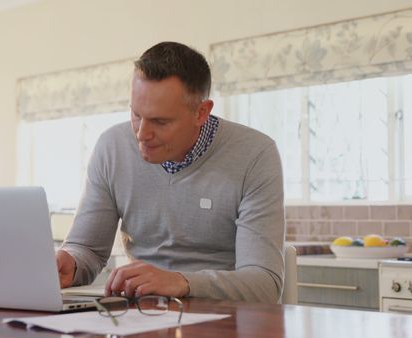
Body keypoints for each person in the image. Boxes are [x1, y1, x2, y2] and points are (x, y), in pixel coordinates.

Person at [56, 41, 285, 303]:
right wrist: (70, 263)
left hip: (224, 316)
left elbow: (264, 283)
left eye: (160, 121)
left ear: (201, 112)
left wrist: (180, 281)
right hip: (142, 314)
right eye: (136, 114)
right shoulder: (111, 147)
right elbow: (87, 249)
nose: (142, 134)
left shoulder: (255, 154)